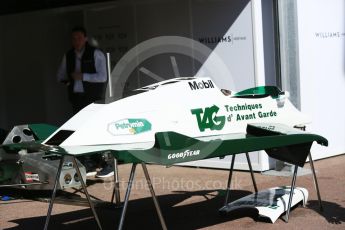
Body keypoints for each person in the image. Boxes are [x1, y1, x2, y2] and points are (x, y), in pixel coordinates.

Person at [57, 26, 114, 178]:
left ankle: (108, 163)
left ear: (86, 38)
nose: (76, 41)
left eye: (79, 38)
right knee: (80, 131)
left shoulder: (95, 53)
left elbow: (103, 76)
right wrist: (68, 82)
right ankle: (89, 163)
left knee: (98, 128)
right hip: (77, 98)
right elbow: (61, 75)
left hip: (93, 98)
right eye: (74, 38)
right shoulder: (68, 55)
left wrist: (83, 77)